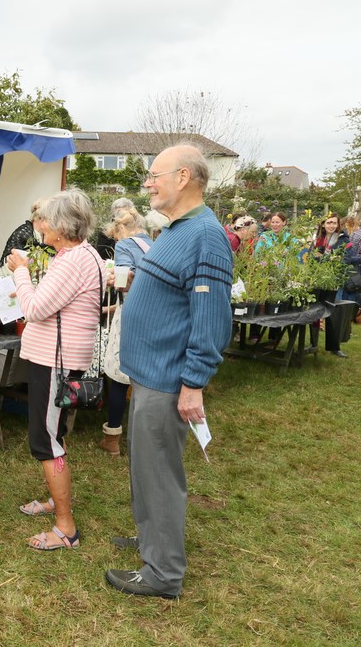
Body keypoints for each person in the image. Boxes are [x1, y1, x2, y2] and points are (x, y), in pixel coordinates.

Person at [106, 144, 233, 599]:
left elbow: (212, 318)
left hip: (167, 379)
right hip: (149, 374)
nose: (147, 183)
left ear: (183, 177)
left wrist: (194, 383)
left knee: (159, 472)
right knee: (145, 466)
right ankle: (152, 540)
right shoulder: (179, 229)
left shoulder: (206, 235)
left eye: (154, 175)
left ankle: (163, 573)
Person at [6, 190, 105, 552]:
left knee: (46, 441)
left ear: (62, 226)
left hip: (54, 361)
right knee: (56, 432)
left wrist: (21, 273)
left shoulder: (70, 262)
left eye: (44, 220)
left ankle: (66, 527)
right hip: (63, 358)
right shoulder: (87, 254)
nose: (40, 226)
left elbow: (33, 309)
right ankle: (55, 501)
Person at [98, 208, 153, 456]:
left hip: (131, 316)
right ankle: (143, 438)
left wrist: (114, 280)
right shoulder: (153, 243)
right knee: (143, 377)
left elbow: (123, 281)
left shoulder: (124, 246)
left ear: (120, 230)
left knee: (119, 375)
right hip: (154, 315)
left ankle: (112, 439)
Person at [308, 213, 350, 358]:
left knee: (334, 313)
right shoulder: (317, 240)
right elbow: (310, 259)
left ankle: (334, 346)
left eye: (334, 223)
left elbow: (348, 258)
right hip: (317, 281)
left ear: (338, 225)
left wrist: (336, 261)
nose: (331, 225)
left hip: (333, 281)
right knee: (314, 312)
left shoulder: (343, 240)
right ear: (323, 225)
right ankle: (312, 344)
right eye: (329, 223)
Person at [0, 198, 49, 269]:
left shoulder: (46, 235)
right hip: (12, 271)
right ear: (40, 218)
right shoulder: (23, 233)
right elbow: (13, 260)